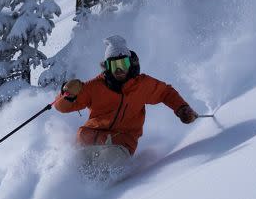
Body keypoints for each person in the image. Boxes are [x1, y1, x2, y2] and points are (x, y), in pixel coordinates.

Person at [55, 35, 198, 174]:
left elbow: (165, 92)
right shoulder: (95, 86)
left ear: (130, 63)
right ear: (107, 67)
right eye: (114, 65)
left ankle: (98, 192)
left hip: (120, 144)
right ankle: (71, 190)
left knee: (108, 161)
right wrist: (68, 93)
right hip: (88, 141)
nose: (119, 70)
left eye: (123, 64)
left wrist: (182, 108)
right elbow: (61, 107)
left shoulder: (141, 85)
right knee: (72, 164)